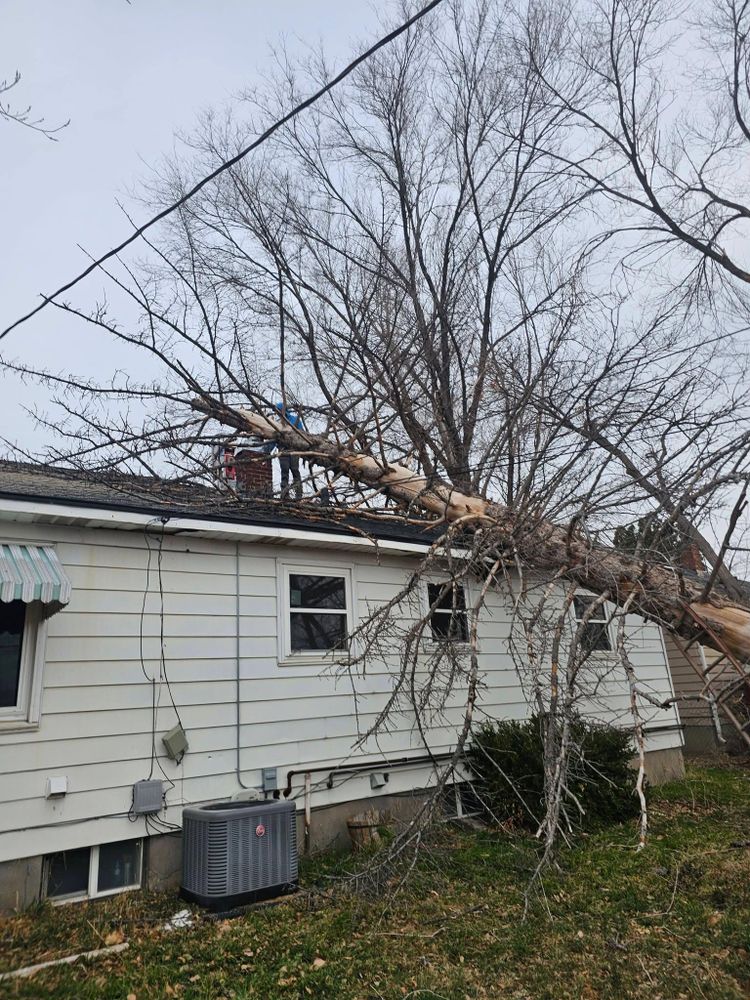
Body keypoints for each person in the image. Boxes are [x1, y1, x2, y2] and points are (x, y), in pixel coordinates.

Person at [266, 401, 305, 499]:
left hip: (294, 449)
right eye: (277, 411)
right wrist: (267, 450)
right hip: (283, 450)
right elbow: (274, 439)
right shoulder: (278, 424)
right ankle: (285, 494)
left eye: (279, 410)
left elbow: (302, 434)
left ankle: (298, 494)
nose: (278, 413)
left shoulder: (295, 420)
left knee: (295, 470)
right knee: (284, 471)